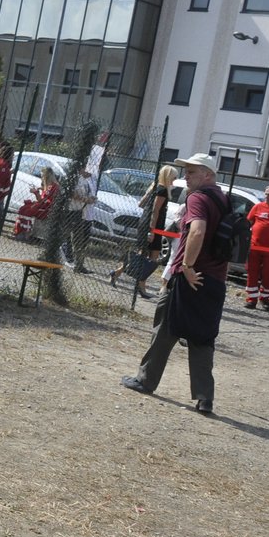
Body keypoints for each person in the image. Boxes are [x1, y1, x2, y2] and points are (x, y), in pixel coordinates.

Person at [120, 153, 228, 415]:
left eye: (192, 171)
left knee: (165, 328)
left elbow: (198, 230)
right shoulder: (223, 199)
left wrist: (188, 266)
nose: (186, 176)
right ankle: (204, 398)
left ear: (208, 175)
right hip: (215, 279)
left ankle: (146, 380)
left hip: (189, 277)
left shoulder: (198, 198)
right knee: (202, 337)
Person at [111, 165, 176, 299]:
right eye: (173, 177)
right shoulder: (162, 190)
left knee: (142, 255)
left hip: (144, 223)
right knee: (151, 258)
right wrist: (152, 231)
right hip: (153, 226)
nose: (174, 181)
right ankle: (141, 285)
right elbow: (155, 211)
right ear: (167, 176)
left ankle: (117, 273)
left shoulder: (154, 187)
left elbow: (141, 204)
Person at [61, 166, 98, 272]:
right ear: (81, 169)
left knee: (78, 239)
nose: (89, 173)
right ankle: (56, 256)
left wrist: (91, 199)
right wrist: (85, 199)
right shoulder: (73, 179)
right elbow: (72, 194)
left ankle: (79, 265)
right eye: (87, 170)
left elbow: (87, 194)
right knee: (64, 235)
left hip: (78, 212)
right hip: (69, 210)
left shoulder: (85, 181)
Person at [12, 165, 58, 240]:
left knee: (28, 211)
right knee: (22, 208)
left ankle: (26, 233)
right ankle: (19, 231)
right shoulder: (47, 185)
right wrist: (40, 191)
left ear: (47, 176)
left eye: (43, 175)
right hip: (42, 206)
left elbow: (42, 200)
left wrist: (36, 192)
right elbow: (42, 200)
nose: (41, 177)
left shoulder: (53, 186)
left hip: (47, 209)